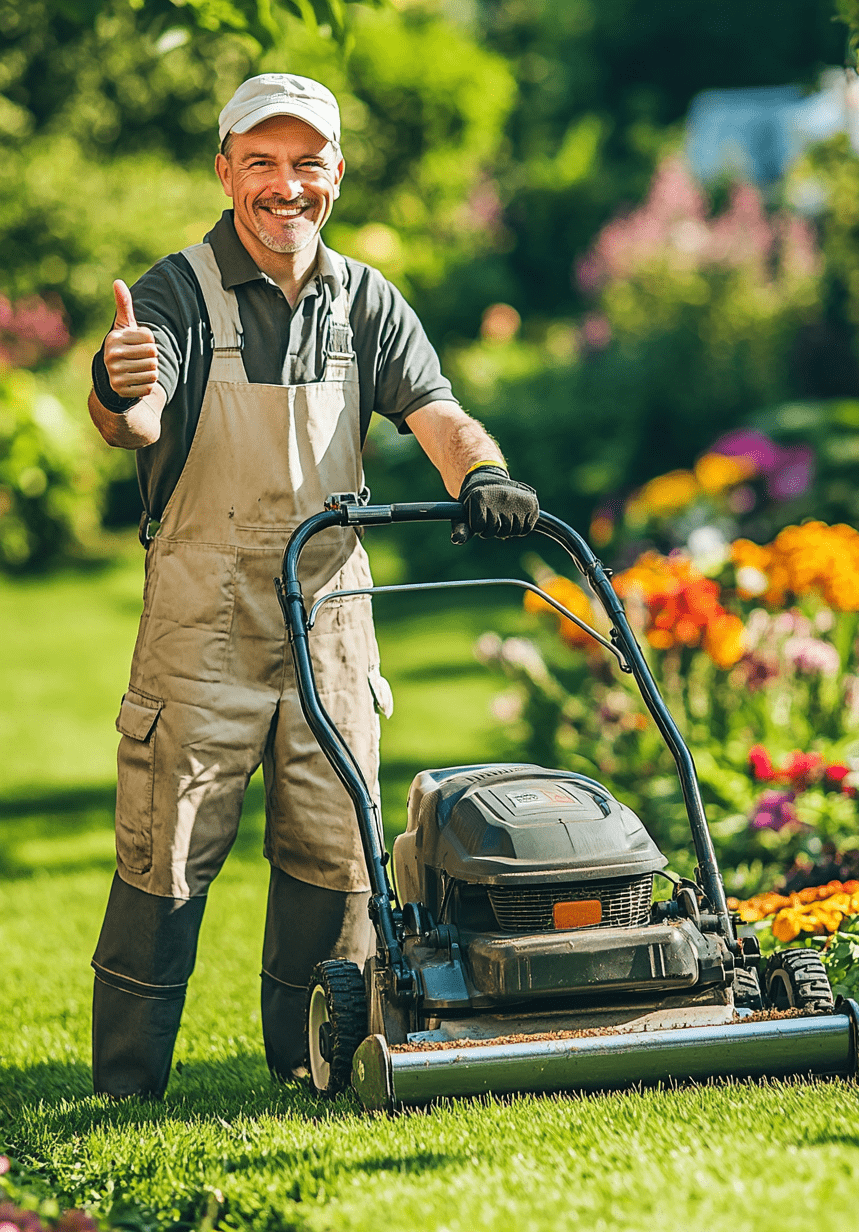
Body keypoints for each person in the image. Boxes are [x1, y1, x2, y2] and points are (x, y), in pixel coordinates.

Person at [87, 72, 539, 1098]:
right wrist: (123, 395)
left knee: (334, 846)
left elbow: (435, 410)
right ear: (226, 171)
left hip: (330, 618)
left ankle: (309, 1058)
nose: (284, 186)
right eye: (261, 163)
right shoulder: (174, 292)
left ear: (335, 171)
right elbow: (138, 417)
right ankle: (126, 1083)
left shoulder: (365, 299)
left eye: (306, 163)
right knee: (169, 843)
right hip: (204, 622)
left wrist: (483, 473)